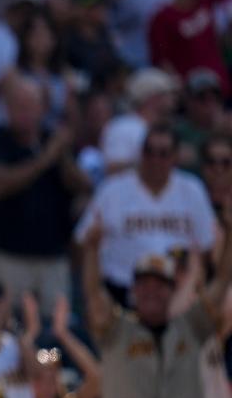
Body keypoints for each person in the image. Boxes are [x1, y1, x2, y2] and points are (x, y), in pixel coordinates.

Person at [81, 207, 232, 398]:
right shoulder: (117, 330)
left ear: (172, 290)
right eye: (144, 284)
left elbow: (222, 283)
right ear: (134, 290)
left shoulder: (191, 326)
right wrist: (92, 252)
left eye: (160, 285)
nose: (151, 291)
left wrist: (229, 235)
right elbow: (94, 296)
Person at [0, 78, 90, 309]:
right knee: (9, 326)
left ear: (43, 109)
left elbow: (84, 187)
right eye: (19, 106)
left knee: (56, 328)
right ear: (7, 109)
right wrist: (46, 157)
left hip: (54, 260)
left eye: (31, 105)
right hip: (8, 258)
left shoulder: (55, 142)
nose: (25, 112)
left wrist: (63, 156)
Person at [75, 125, 217, 305]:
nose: (155, 159)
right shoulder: (112, 190)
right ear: (141, 153)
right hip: (121, 292)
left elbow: (206, 247)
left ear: (175, 157)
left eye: (163, 153)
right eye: (149, 151)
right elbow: (82, 241)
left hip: (178, 294)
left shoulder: (192, 189)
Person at [99, 67, 177, 173]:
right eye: (168, 93)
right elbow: (112, 169)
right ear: (154, 97)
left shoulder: (164, 127)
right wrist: (155, 161)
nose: (174, 99)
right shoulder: (122, 127)